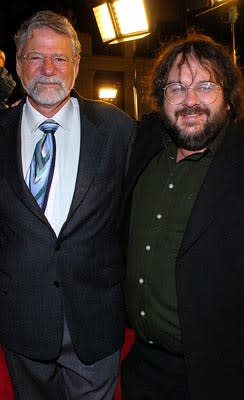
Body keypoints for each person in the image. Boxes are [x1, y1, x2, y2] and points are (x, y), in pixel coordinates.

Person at [0, 10, 136, 400]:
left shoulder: (118, 129)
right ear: (17, 62)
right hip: (21, 318)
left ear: (77, 65)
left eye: (59, 58)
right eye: (35, 57)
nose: (47, 69)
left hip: (95, 318)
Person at [121, 31, 244, 400]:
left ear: (229, 99)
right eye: (176, 88)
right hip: (142, 368)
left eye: (205, 86)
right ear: (161, 100)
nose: (190, 101)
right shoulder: (144, 146)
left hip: (222, 376)